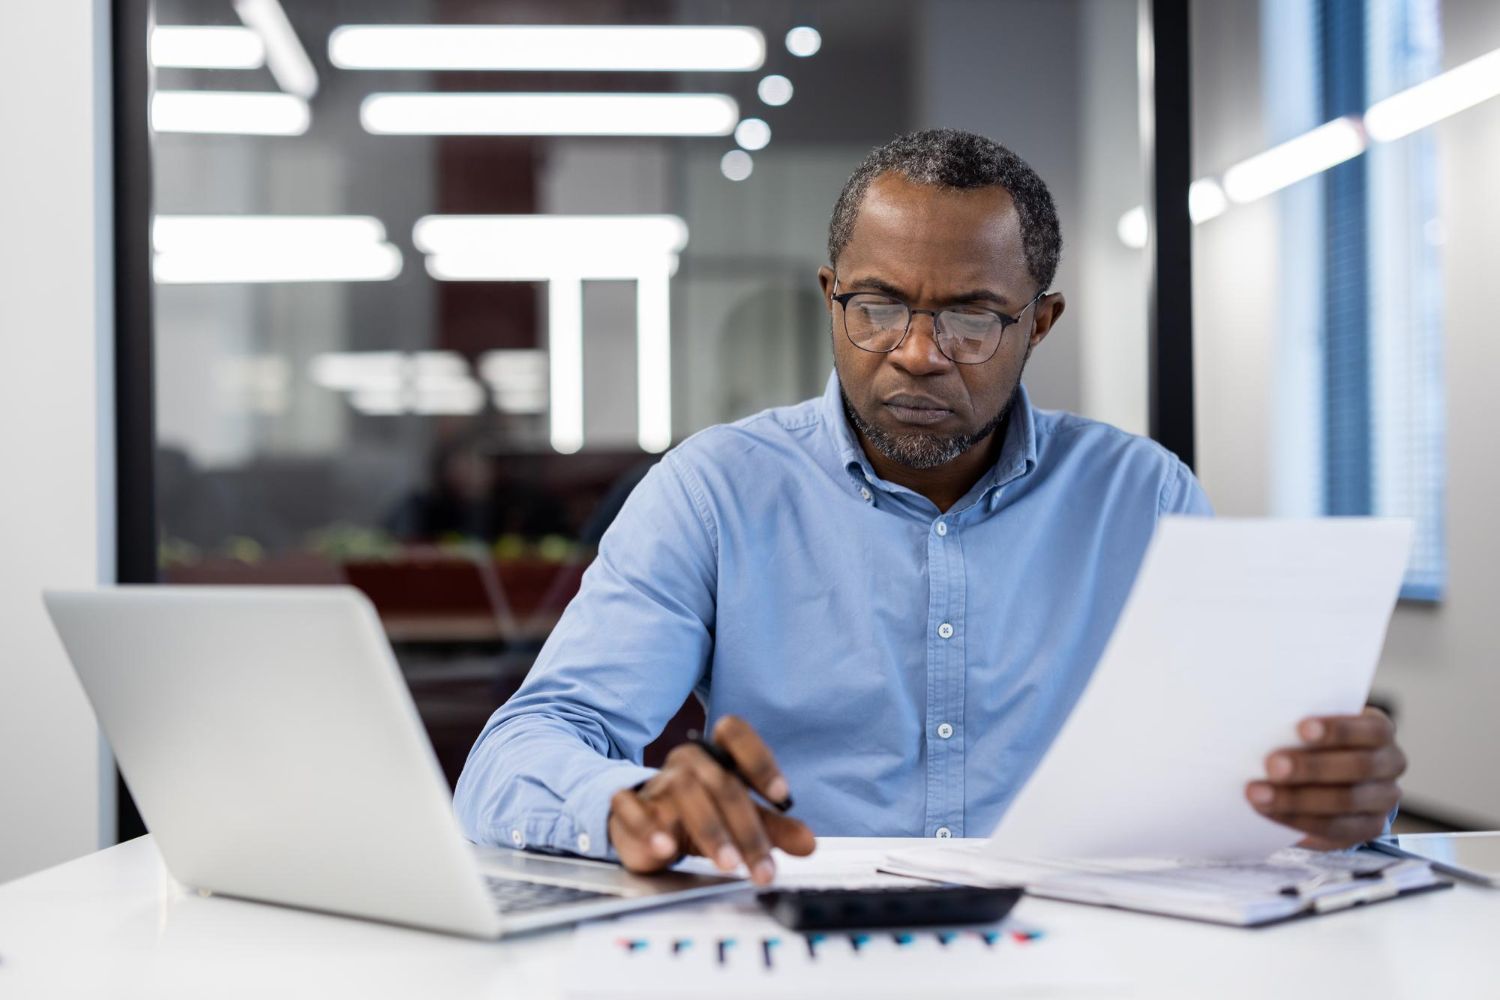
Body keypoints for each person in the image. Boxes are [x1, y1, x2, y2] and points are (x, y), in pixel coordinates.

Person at [453, 129, 1407, 885]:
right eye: (875, 305)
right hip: (794, 942)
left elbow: (1244, 780)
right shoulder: (715, 490)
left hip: (1082, 949)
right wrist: (629, 803)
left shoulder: (1144, 498)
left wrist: (1334, 803)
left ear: (1039, 323)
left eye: (970, 318)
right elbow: (519, 753)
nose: (915, 351)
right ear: (830, 298)